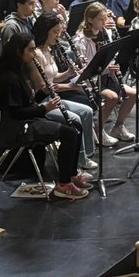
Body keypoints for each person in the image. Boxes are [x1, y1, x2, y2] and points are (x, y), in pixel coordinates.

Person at [0, 32, 90, 199]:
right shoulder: (9, 78)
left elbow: (27, 103)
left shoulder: (19, 71)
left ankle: (71, 173)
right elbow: (16, 112)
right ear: (19, 51)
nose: (33, 55)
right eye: (30, 51)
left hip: (28, 120)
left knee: (75, 126)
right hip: (19, 128)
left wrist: (42, 94)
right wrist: (44, 109)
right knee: (68, 133)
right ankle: (63, 184)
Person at [31, 12, 100, 172]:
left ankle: (86, 155)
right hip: (43, 103)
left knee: (87, 111)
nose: (58, 36)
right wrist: (71, 86)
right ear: (45, 31)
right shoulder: (37, 54)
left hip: (54, 99)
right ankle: (77, 160)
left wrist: (69, 73)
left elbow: (54, 77)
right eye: (55, 32)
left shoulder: (49, 50)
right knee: (75, 118)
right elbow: (43, 87)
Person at [73, 3, 136, 146]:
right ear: (90, 20)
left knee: (132, 93)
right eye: (101, 19)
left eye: (105, 18)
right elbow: (87, 68)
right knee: (112, 97)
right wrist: (108, 69)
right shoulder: (80, 40)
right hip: (91, 81)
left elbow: (110, 56)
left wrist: (113, 66)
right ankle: (98, 129)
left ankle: (118, 127)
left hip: (106, 77)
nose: (104, 22)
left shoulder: (104, 33)